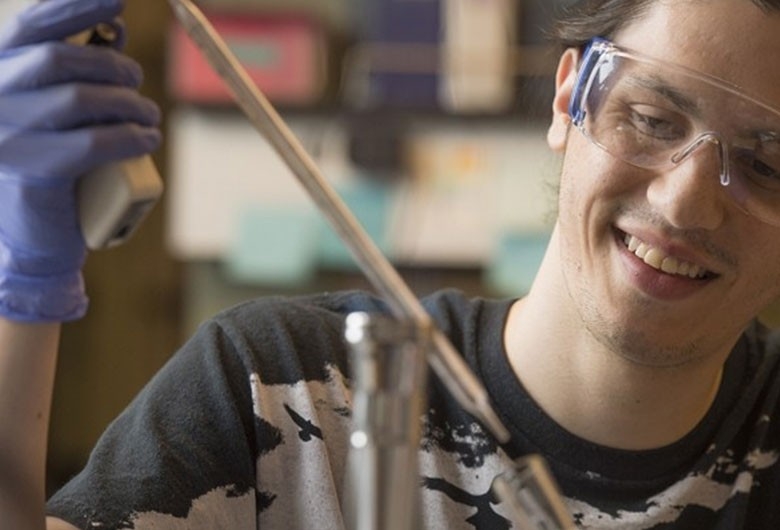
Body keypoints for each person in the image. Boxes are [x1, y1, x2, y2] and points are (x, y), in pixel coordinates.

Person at [2, 0, 780, 527]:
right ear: (568, 97)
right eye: (648, 118)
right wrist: (20, 295)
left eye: (768, 165)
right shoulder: (274, 392)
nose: (685, 205)